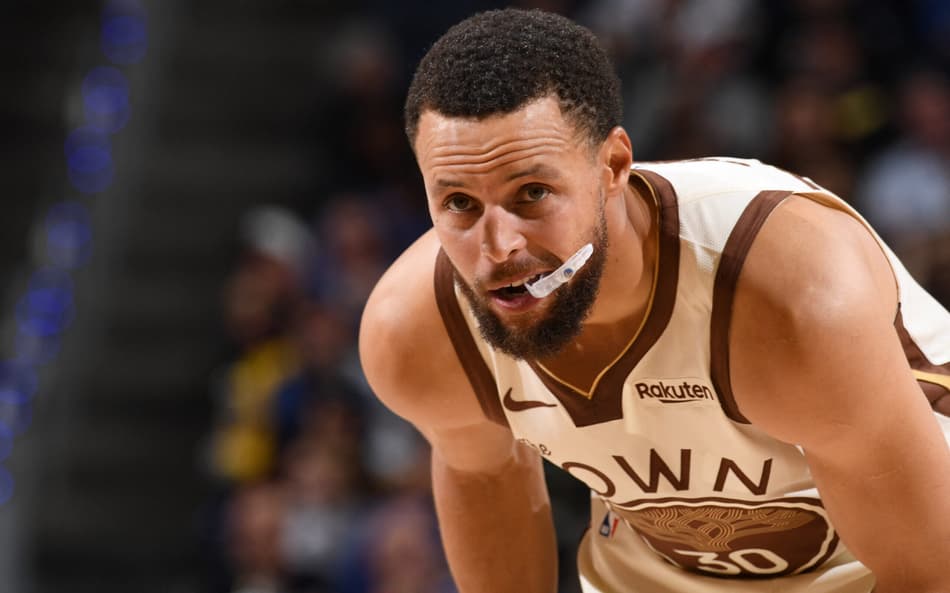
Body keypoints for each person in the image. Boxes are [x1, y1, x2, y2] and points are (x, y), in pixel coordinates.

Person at [358, 8, 950, 593]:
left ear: (614, 166)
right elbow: (483, 475)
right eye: (459, 203)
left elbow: (927, 573)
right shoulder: (419, 331)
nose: (498, 247)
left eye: (532, 193)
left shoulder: (789, 299)